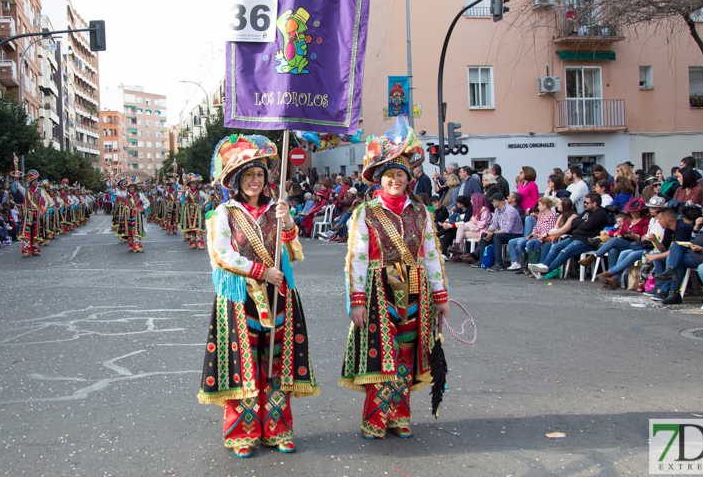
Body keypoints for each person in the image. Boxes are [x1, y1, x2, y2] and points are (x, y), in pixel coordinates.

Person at [199, 134, 318, 457]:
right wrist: (262, 271)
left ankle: (278, 428)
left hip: (278, 294)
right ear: (237, 179)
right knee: (245, 364)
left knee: (276, 364)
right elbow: (222, 254)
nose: (255, 180)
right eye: (248, 174)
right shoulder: (224, 212)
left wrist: (288, 220)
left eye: (260, 174)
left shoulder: (276, 209)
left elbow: (292, 251)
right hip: (241, 297)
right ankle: (243, 432)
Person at [340, 119, 448, 439]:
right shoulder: (367, 213)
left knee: (406, 350)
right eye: (389, 175)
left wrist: (440, 296)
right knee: (381, 352)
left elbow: (431, 254)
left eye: (400, 174)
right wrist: (356, 301)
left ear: (408, 177)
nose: (395, 180)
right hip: (378, 286)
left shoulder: (420, 212)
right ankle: (374, 418)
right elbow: (357, 259)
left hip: (414, 285)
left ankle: (400, 414)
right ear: (379, 180)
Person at [528, 193, 609, 279]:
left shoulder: (600, 214)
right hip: (575, 237)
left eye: (587, 202)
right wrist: (583, 221)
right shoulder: (587, 212)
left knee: (565, 251)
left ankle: (543, 272)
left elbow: (586, 226)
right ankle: (543, 265)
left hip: (587, 240)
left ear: (595, 204)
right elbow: (574, 223)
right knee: (555, 246)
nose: (585, 204)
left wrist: (582, 222)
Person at [591, 198, 650, 288]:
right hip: (626, 242)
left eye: (635, 211)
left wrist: (633, 235)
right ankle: (613, 279)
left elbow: (645, 237)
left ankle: (594, 257)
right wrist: (619, 233)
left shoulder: (645, 221)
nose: (632, 214)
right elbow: (622, 232)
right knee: (613, 250)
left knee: (615, 241)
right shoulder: (628, 220)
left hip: (637, 244)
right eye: (631, 212)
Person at [474, 192, 523, 271]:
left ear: (497, 202)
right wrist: (488, 232)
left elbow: (507, 230)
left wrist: (492, 233)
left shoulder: (510, 211)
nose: (491, 203)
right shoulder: (497, 210)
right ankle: (482, 260)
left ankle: (499, 263)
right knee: (484, 234)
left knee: (497, 237)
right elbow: (494, 225)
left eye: (492, 201)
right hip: (503, 232)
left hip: (515, 234)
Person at [508, 197, 558, 273]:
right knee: (520, 243)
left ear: (545, 206)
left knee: (529, 243)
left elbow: (549, 230)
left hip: (544, 237)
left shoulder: (552, 215)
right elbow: (537, 227)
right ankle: (525, 265)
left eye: (539, 205)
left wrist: (538, 236)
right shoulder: (541, 215)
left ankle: (533, 267)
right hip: (537, 236)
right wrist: (532, 234)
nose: (538, 207)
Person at [120, 177, 149, 253]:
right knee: (129, 230)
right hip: (127, 214)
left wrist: (141, 209)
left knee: (135, 230)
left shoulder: (139, 195)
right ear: (128, 188)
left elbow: (147, 202)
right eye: (130, 187)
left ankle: (137, 246)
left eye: (132, 187)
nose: (131, 188)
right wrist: (112, 184)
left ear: (135, 187)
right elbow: (115, 193)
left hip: (136, 215)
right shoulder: (125, 194)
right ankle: (131, 245)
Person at [180, 174, 209, 250]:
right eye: (192, 184)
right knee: (191, 228)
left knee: (198, 227)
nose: (193, 185)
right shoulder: (187, 192)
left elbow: (207, 199)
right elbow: (183, 199)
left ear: (196, 185)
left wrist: (202, 206)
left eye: (194, 184)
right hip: (189, 211)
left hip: (197, 211)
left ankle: (199, 243)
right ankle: (192, 242)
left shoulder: (200, 192)